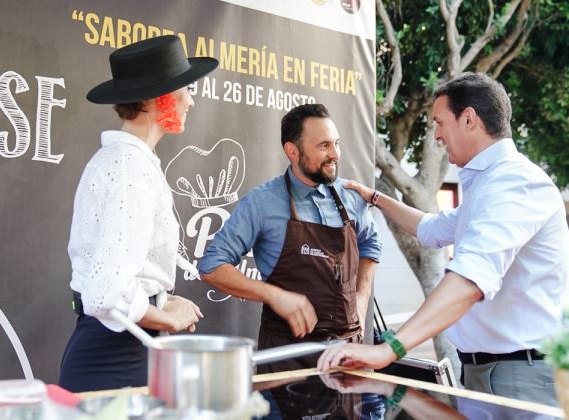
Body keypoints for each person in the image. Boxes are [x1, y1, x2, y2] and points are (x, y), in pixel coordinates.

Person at [318, 72, 569, 406]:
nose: (436, 136)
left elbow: (470, 279)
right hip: (485, 373)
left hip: (520, 375)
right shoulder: (486, 185)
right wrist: (374, 197)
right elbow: (431, 228)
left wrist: (388, 349)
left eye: (439, 122)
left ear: (469, 119)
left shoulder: (515, 183)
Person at [59, 35, 218, 392]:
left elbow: (116, 282)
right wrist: (169, 318)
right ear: (155, 99)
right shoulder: (130, 170)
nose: (191, 101)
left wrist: (162, 299)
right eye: (185, 90)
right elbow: (106, 294)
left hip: (121, 351)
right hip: (114, 361)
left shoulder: (126, 163)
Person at [199, 103, 382, 373]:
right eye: (323, 146)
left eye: (336, 144)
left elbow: (371, 245)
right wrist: (275, 296)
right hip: (286, 357)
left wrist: (361, 300)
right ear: (292, 150)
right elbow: (212, 266)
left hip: (348, 355)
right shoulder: (262, 203)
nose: (335, 155)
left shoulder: (352, 197)